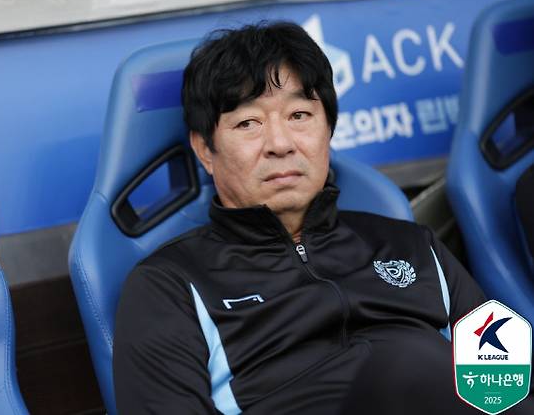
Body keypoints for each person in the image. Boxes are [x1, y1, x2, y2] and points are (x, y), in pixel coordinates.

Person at [112, 21, 528, 414]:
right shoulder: (170, 285)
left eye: (299, 116)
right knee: (407, 363)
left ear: (328, 129)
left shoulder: (413, 245)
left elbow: (506, 379)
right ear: (205, 149)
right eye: (248, 123)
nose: (280, 144)